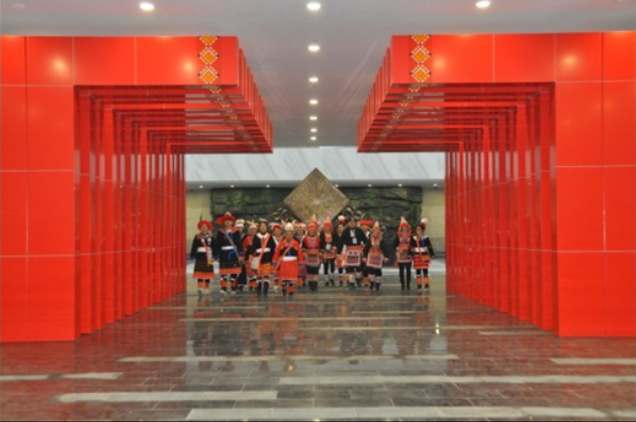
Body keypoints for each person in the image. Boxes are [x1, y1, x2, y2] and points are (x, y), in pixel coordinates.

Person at [213, 212, 244, 295]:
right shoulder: (220, 232)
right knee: (224, 272)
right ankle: (223, 288)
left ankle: (233, 287)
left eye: (229, 221)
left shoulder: (236, 232)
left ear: (232, 222)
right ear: (224, 222)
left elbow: (239, 243)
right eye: (226, 221)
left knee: (234, 271)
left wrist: (241, 254)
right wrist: (217, 254)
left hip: (233, 253)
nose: (228, 223)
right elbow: (217, 244)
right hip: (223, 253)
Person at [272, 222, 304, 297]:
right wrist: (274, 262)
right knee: (284, 278)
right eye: (287, 234)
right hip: (284, 263)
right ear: (285, 235)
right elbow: (277, 253)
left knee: (291, 279)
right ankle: (283, 289)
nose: (289, 236)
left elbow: (299, 254)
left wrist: (301, 262)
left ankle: (291, 291)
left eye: (290, 235)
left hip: (293, 263)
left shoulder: (296, 243)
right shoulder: (281, 243)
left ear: (292, 235)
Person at [249, 219, 277, 296]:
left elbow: (273, 248)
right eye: (261, 226)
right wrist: (251, 255)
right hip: (258, 258)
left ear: (266, 227)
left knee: (266, 273)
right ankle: (258, 288)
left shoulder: (270, 237)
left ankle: (265, 289)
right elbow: (253, 247)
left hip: (267, 257)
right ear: (259, 227)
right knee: (258, 274)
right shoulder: (256, 237)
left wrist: (273, 258)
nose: (263, 227)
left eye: (264, 226)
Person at [339, 216, 367, 289]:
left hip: (358, 250)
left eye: (354, 222)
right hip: (349, 250)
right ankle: (351, 282)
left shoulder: (359, 230)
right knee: (349, 267)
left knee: (359, 267)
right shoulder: (345, 231)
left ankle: (358, 279)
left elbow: (365, 240)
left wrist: (367, 250)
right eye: (350, 222)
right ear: (348, 223)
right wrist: (338, 252)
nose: (352, 223)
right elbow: (341, 242)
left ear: (356, 223)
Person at [190, 220, 215, 296]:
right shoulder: (197, 237)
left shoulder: (211, 237)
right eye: (202, 227)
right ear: (200, 228)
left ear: (208, 228)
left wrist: (215, 255)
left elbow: (214, 246)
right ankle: (200, 288)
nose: (204, 228)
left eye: (205, 227)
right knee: (199, 272)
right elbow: (194, 246)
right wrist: (193, 255)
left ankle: (207, 288)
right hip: (200, 256)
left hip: (209, 256)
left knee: (208, 272)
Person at [363, 221, 390, 291]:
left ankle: (377, 284)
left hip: (379, 257)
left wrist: (386, 257)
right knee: (371, 271)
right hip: (371, 257)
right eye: (374, 231)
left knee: (378, 271)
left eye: (377, 231)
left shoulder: (381, 240)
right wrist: (364, 257)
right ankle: (371, 283)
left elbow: (385, 249)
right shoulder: (370, 240)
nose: (375, 232)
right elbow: (366, 249)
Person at [411, 218, 435, 293]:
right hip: (417, 256)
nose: (418, 231)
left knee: (425, 271)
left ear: (422, 230)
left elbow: (429, 246)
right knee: (418, 272)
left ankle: (427, 285)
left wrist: (432, 254)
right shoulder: (414, 238)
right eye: (417, 229)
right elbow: (411, 247)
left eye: (419, 229)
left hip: (424, 255)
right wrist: (410, 253)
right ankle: (419, 286)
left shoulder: (426, 238)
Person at [393, 216, 413, 290]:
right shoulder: (398, 235)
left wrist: (411, 248)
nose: (404, 228)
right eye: (403, 227)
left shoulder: (410, 235)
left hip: (408, 255)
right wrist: (398, 248)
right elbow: (394, 244)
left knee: (408, 270)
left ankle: (408, 284)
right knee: (401, 270)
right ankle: (402, 283)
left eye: (405, 227)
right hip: (400, 255)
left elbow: (413, 244)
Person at [303, 218, 322, 292]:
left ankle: (315, 283)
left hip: (316, 257)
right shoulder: (305, 239)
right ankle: (310, 283)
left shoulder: (318, 239)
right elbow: (303, 247)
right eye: (310, 230)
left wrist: (321, 253)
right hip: (308, 257)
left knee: (316, 271)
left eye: (313, 230)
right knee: (309, 271)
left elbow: (321, 247)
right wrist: (304, 253)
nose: (312, 232)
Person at [320, 216, 338, 287]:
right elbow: (321, 242)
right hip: (325, 251)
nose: (327, 228)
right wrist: (323, 248)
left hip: (332, 251)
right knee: (326, 265)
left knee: (332, 264)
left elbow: (336, 241)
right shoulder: (322, 234)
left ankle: (332, 278)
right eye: (326, 227)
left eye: (328, 227)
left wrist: (334, 247)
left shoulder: (334, 234)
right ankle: (326, 279)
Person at [242, 221, 258, 292]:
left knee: (255, 271)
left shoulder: (258, 238)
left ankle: (254, 284)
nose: (253, 231)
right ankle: (251, 284)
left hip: (256, 257)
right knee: (249, 272)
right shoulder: (245, 238)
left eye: (254, 229)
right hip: (247, 257)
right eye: (251, 230)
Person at [359, 219, 373, 287]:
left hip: (368, 252)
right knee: (360, 266)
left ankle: (367, 280)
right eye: (362, 226)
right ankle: (360, 279)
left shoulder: (370, 234)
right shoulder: (358, 234)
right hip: (359, 252)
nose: (364, 227)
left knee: (368, 266)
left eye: (365, 226)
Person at [270, 222, 283, 292]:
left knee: (283, 270)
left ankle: (283, 284)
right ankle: (276, 284)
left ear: (281, 231)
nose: (277, 231)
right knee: (275, 271)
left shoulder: (284, 238)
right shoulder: (271, 238)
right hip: (274, 257)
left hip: (283, 257)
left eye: (278, 230)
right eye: (275, 230)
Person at [235, 219, 247, 291]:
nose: (239, 229)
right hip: (234, 253)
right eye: (238, 227)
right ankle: (235, 282)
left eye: (240, 228)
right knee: (235, 268)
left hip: (243, 253)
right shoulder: (233, 235)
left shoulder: (245, 236)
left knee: (242, 268)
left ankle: (242, 283)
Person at [294, 222, 307, 288]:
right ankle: (299, 282)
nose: (300, 232)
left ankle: (304, 281)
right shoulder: (294, 238)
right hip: (297, 256)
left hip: (304, 255)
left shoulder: (305, 238)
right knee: (297, 270)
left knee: (304, 269)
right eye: (298, 231)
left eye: (301, 230)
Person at [334, 216, 346, 286]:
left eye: (342, 228)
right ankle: (340, 279)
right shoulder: (336, 236)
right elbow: (335, 243)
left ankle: (348, 279)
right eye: (339, 228)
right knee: (340, 266)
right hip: (338, 252)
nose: (341, 229)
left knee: (347, 266)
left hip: (345, 252)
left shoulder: (346, 235)